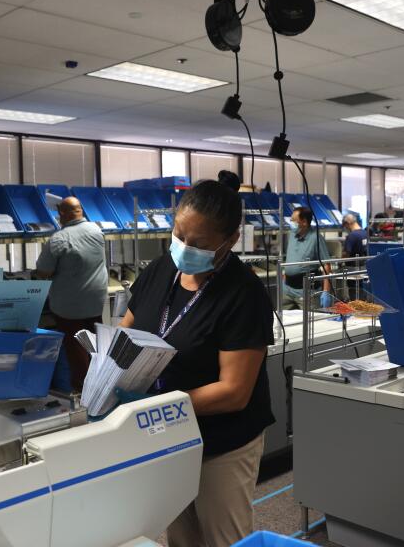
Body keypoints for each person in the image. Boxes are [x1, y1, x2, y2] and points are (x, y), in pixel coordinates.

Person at [120, 172, 275, 547]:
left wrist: (156, 406)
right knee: (181, 535)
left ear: (230, 240)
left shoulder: (243, 293)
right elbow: (126, 331)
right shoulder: (160, 270)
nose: (184, 247)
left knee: (225, 537)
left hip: (222, 441)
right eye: (179, 235)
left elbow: (234, 392)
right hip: (167, 434)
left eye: (198, 242)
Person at [35, 196, 108, 392]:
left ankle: (84, 393)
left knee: (76, 352)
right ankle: (101, 386)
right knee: (93, 346)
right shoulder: (96, 231)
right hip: (96, 301)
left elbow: (43, 271)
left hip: (69, 306)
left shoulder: (59, 238)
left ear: (62, 214)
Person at [283, 206, 333, 310]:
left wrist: (326, 291)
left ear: (304, 222)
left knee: (307, 325)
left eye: (294, 221)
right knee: (285, 323)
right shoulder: (291, 235)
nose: (290, 223)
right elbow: (290, 258)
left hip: (306, 292)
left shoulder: (316, 238)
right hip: (287, 290)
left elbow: (326, 265)